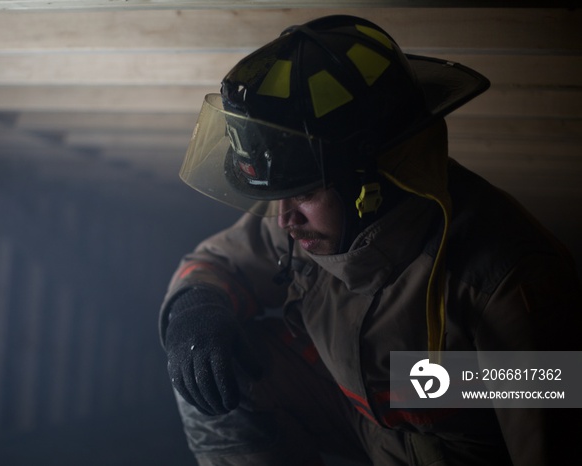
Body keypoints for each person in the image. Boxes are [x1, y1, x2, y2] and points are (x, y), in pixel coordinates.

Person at [158, 15, 582, 466]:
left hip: (452, 452)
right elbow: (216, 261)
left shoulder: (507, 278)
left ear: (371, 181)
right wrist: (196, 310)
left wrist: (442, 380)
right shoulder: (313, 218)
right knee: (227, 368)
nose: (283, 220)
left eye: (301, 192)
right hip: (364, 422)